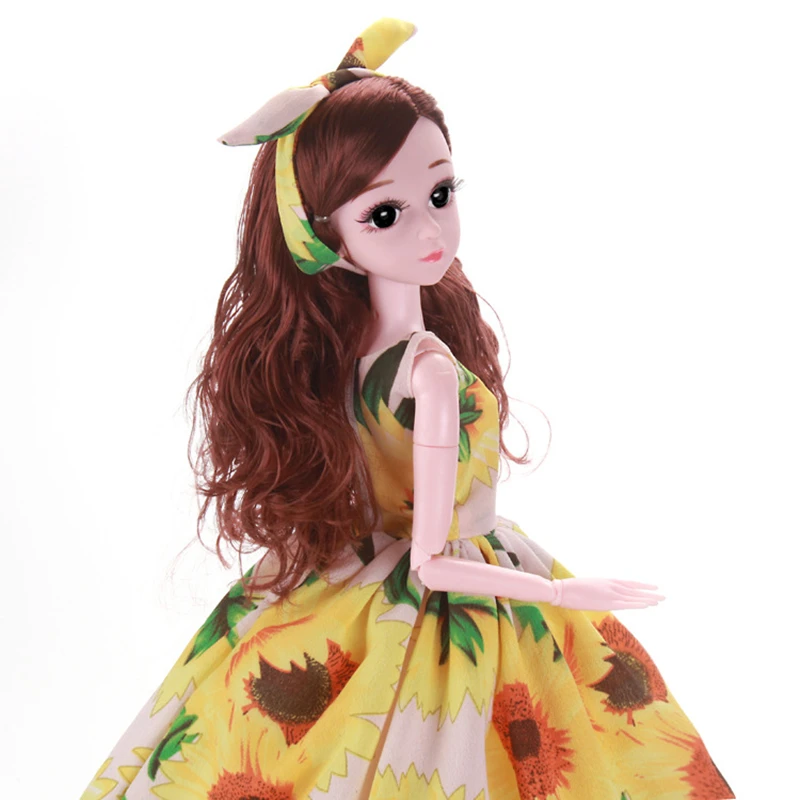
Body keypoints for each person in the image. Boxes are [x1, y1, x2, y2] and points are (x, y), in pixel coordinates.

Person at [81, 18, 734, 800]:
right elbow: (430, 562)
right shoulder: (427, 370)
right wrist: (564, 594)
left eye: (440, 193)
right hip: (455, 592)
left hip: (347, 582)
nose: (429, 229)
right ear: (322, 236)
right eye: (384, 214)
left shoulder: (336, 349)